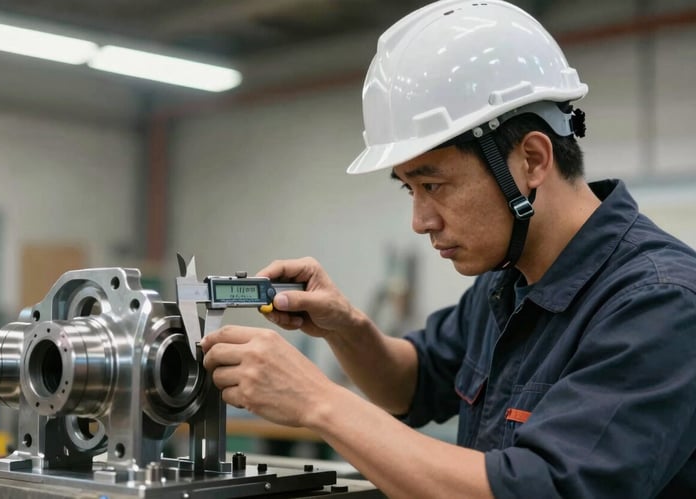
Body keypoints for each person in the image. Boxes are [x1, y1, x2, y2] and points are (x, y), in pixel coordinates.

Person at [200, 0, 696, 497]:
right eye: (408, 189)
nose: (420, 221)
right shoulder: (506, 282)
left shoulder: (659, 303)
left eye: (433, 185)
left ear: (532, 159)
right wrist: (346, 327)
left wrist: (317, 402)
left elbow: (545, 488)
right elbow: (413, 386)